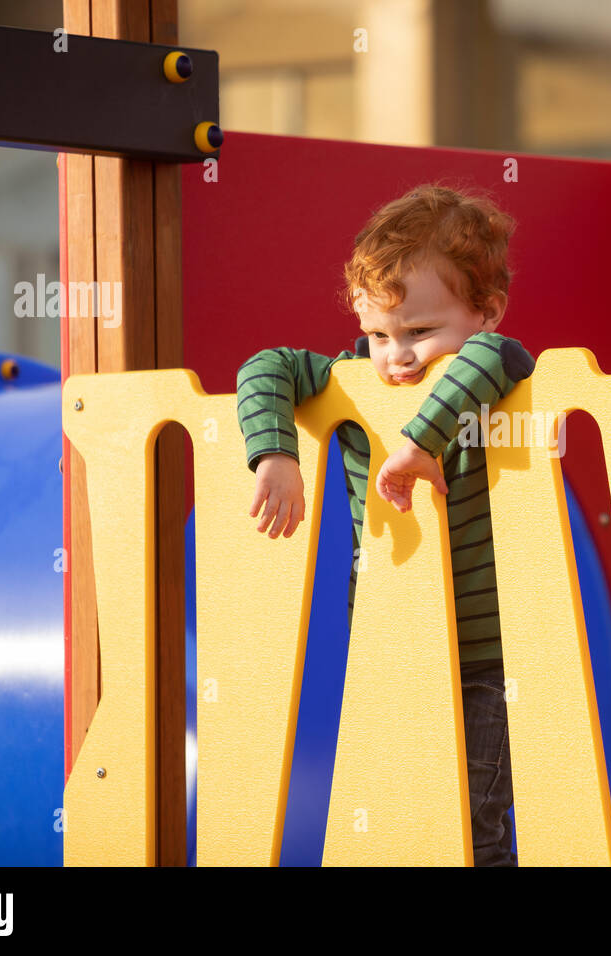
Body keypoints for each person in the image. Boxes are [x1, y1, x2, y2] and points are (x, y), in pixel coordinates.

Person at [235, 183, 534, 866]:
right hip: (391, 642)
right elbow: (266, 366)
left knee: (475, 819)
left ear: (486, 311)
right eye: (377, 334)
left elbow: (498, 357)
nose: (395, 357)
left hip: (488, 655)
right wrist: (276, 453)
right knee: (400, 811)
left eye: (421, 332)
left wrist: (424, 440)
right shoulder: (354, 379)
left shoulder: (495, 369)